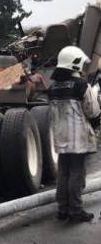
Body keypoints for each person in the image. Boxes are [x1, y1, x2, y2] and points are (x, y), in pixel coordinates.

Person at [48, 46, 100, 222]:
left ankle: (62, 209)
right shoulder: (81, 85)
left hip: (60, 138)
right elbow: (93, 111)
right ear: (76, 63)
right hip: (78, 138)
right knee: (77, 176)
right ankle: (76, 211)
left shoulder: (53, 87)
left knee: (63, 174)